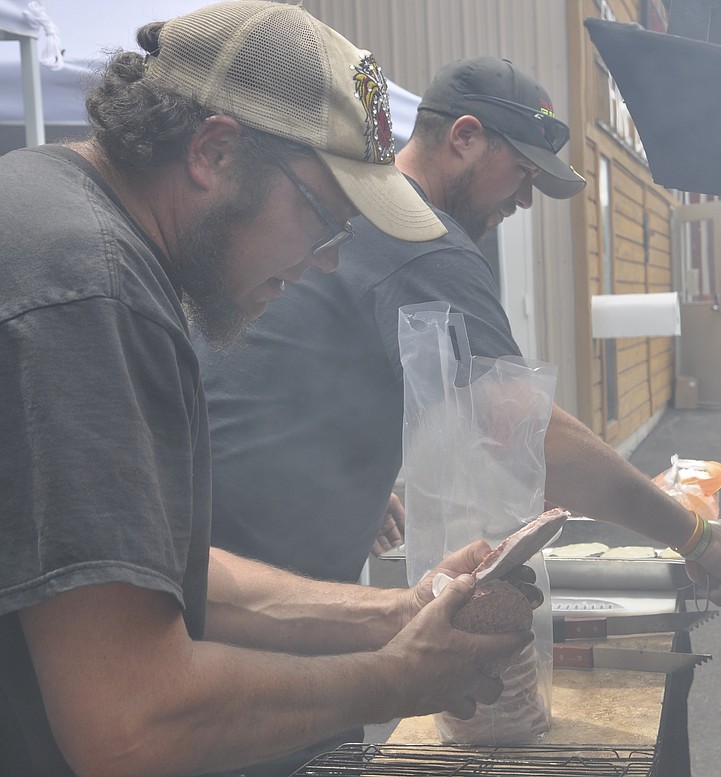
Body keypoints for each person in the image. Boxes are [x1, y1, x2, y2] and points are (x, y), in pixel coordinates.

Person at [0, 5, 531, 777]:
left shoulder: (58, 212)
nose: (324, 262)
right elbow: (130, 721)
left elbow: (150, 574)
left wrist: (399, 611)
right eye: (324, 218)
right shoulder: (93, 291)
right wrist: (401, 678)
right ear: (215, 150)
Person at [198, 56, 721, 609]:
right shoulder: (418, 239)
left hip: (225, 544)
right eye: (523, 172)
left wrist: (347, 471)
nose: (526, 200)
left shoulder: (366, 217)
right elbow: (524, 432)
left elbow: (281, 362)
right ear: (465, 137)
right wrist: (696, 537)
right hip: (251, 580)